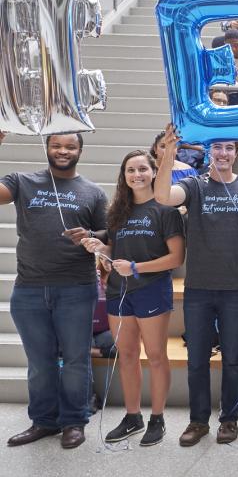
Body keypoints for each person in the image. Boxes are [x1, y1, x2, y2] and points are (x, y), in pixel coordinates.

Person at [153, 125, 238, 447]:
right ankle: (198, 421)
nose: (223, 154)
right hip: (199, 289)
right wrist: (170, 152)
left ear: (236, 152)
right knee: (197, 359)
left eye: (229, 148)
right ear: (208, 151)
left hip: (236, 289)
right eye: (217, 148)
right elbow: (162, 197)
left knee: (232, 358)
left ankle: (228, 420)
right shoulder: (194, 185)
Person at [1, 133, 108, 449]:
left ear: (80, 151)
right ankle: (44, 422)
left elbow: (108, 233)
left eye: (70, 146)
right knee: (39, 362)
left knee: (76, 360)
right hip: (29, 290)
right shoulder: (22, 181)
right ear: (46, 148)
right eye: (57, 145)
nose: (63, 151)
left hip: (77, 288)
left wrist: (90, 234)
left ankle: (74, 422)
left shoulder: (93, 192)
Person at [80, 150, 185, 447]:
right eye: (130, 170)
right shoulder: (117, 211)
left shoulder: (166, 210)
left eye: (142, 169)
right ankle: (132, 416)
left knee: (155, 355)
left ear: (153, 172)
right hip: (118, 291)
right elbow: (115, 252)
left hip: (151, 289)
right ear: (123, 176)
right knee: (126, 355)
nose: (136, 175)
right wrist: (99, 247)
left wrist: (137, 267)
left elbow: (176, 257)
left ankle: (158, 418)